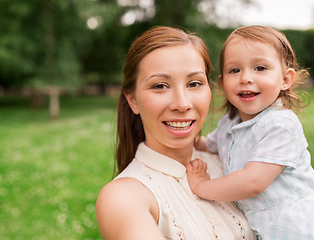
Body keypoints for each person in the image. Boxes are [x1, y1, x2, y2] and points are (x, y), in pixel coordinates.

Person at [96, 26, 255, 240]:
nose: (182, 104)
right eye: (160, 86)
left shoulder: (233, 163)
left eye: (194, 83)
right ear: (132, 100)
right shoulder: (124, 197)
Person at [186, 25, 314, 240]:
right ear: (222, 83)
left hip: (303, 229)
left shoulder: (279, 124)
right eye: (234, 70)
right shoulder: (230, 122)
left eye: (260, 68)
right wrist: (183, 138)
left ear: (285, 79)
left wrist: (202, 186)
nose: (245, 78)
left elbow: (252, 182)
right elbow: (209, 144)